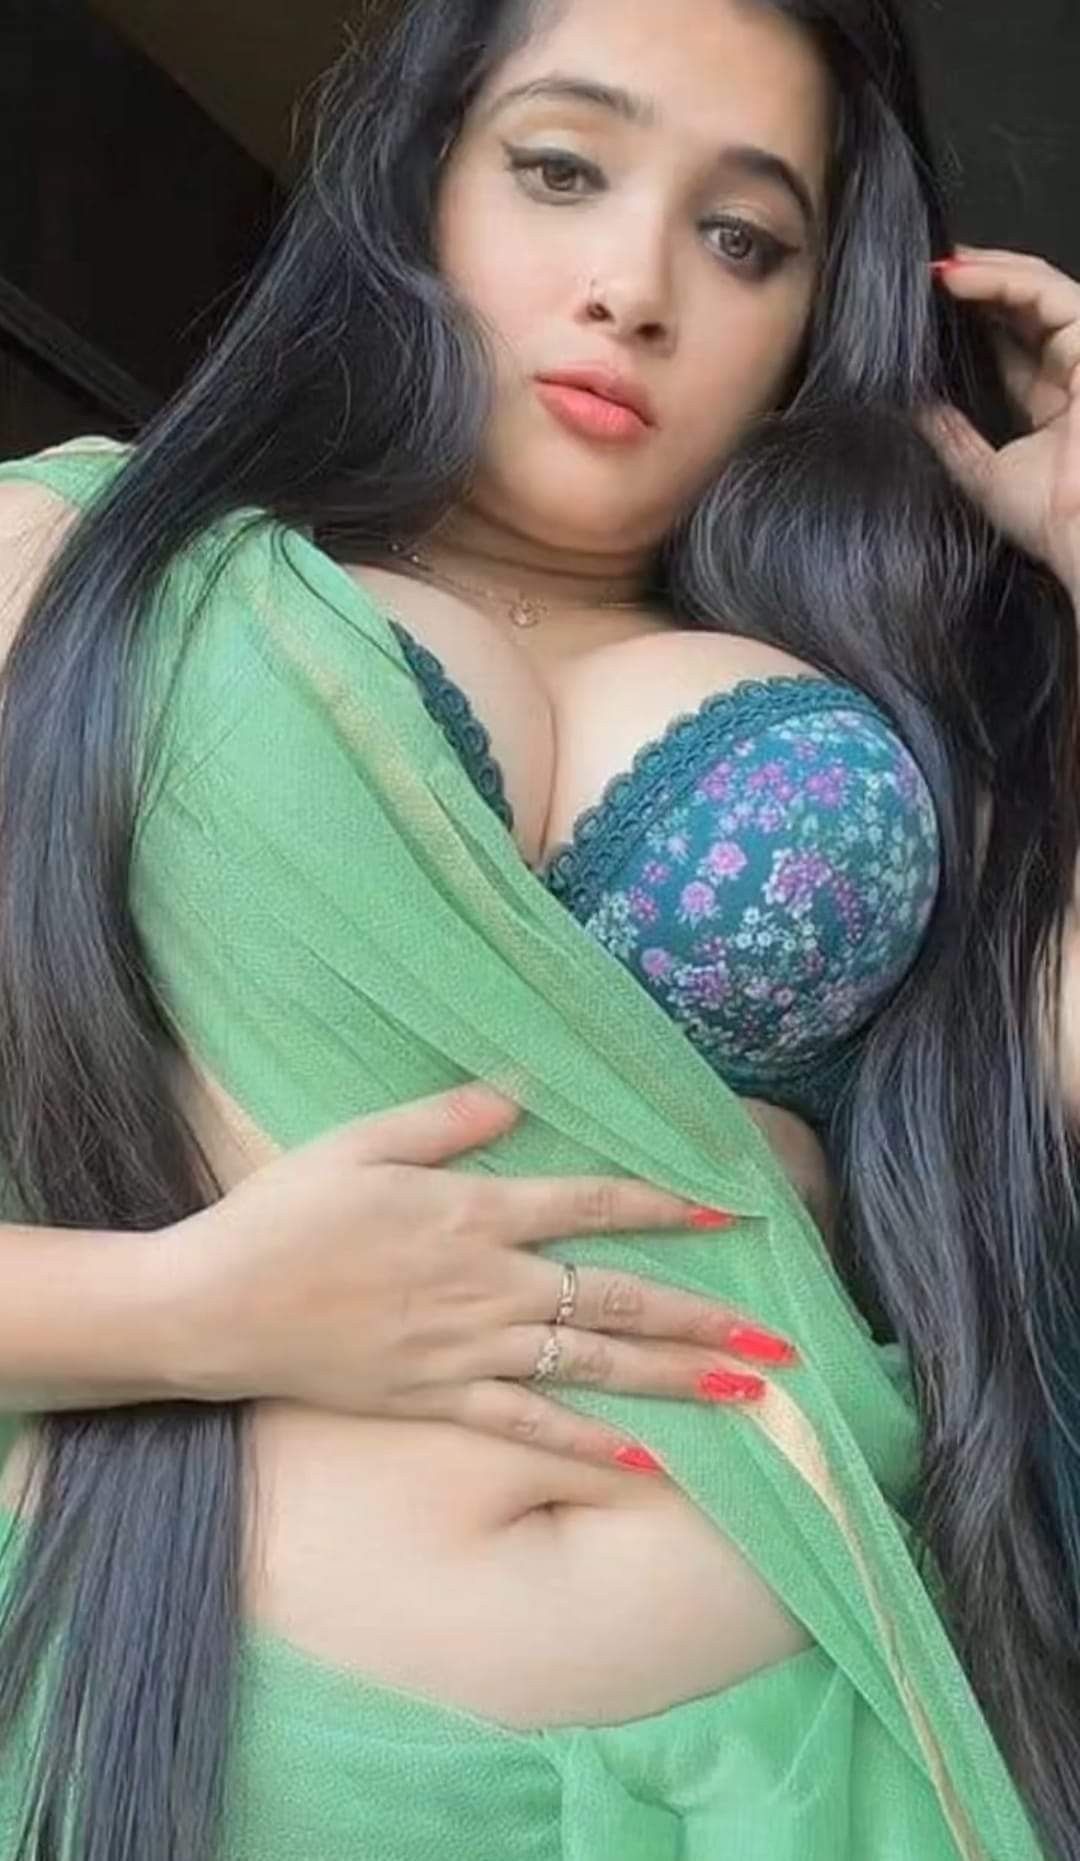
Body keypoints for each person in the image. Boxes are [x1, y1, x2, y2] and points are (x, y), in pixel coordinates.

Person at [0, 1, 1078, 1858]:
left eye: (741, 236)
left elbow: (1030, 1124)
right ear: (420, 185)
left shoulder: (902, 714)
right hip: (224, 1748)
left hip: (821, 1747)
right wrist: (185, 1309)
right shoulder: (75, 561)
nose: (635, 290)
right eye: (562, 170)